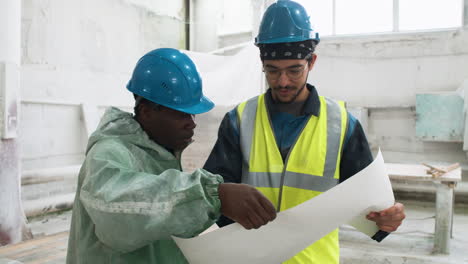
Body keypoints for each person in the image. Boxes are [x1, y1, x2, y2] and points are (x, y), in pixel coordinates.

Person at [203, 1, 406, 263]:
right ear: (262, 63)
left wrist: (387, 218)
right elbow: (211, 195)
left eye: (294, 70)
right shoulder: (238, 121)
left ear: (312, 62)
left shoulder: (342, 124)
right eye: (273, 71)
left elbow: (369, 208)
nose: (283, 81)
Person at [66, 48, 277, 264]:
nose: (192, 123)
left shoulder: (159, 153)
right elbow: (115, 213)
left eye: (193, 113)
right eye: (180, 114)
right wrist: (212, 196)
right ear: (147, 112)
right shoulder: (109, 153)